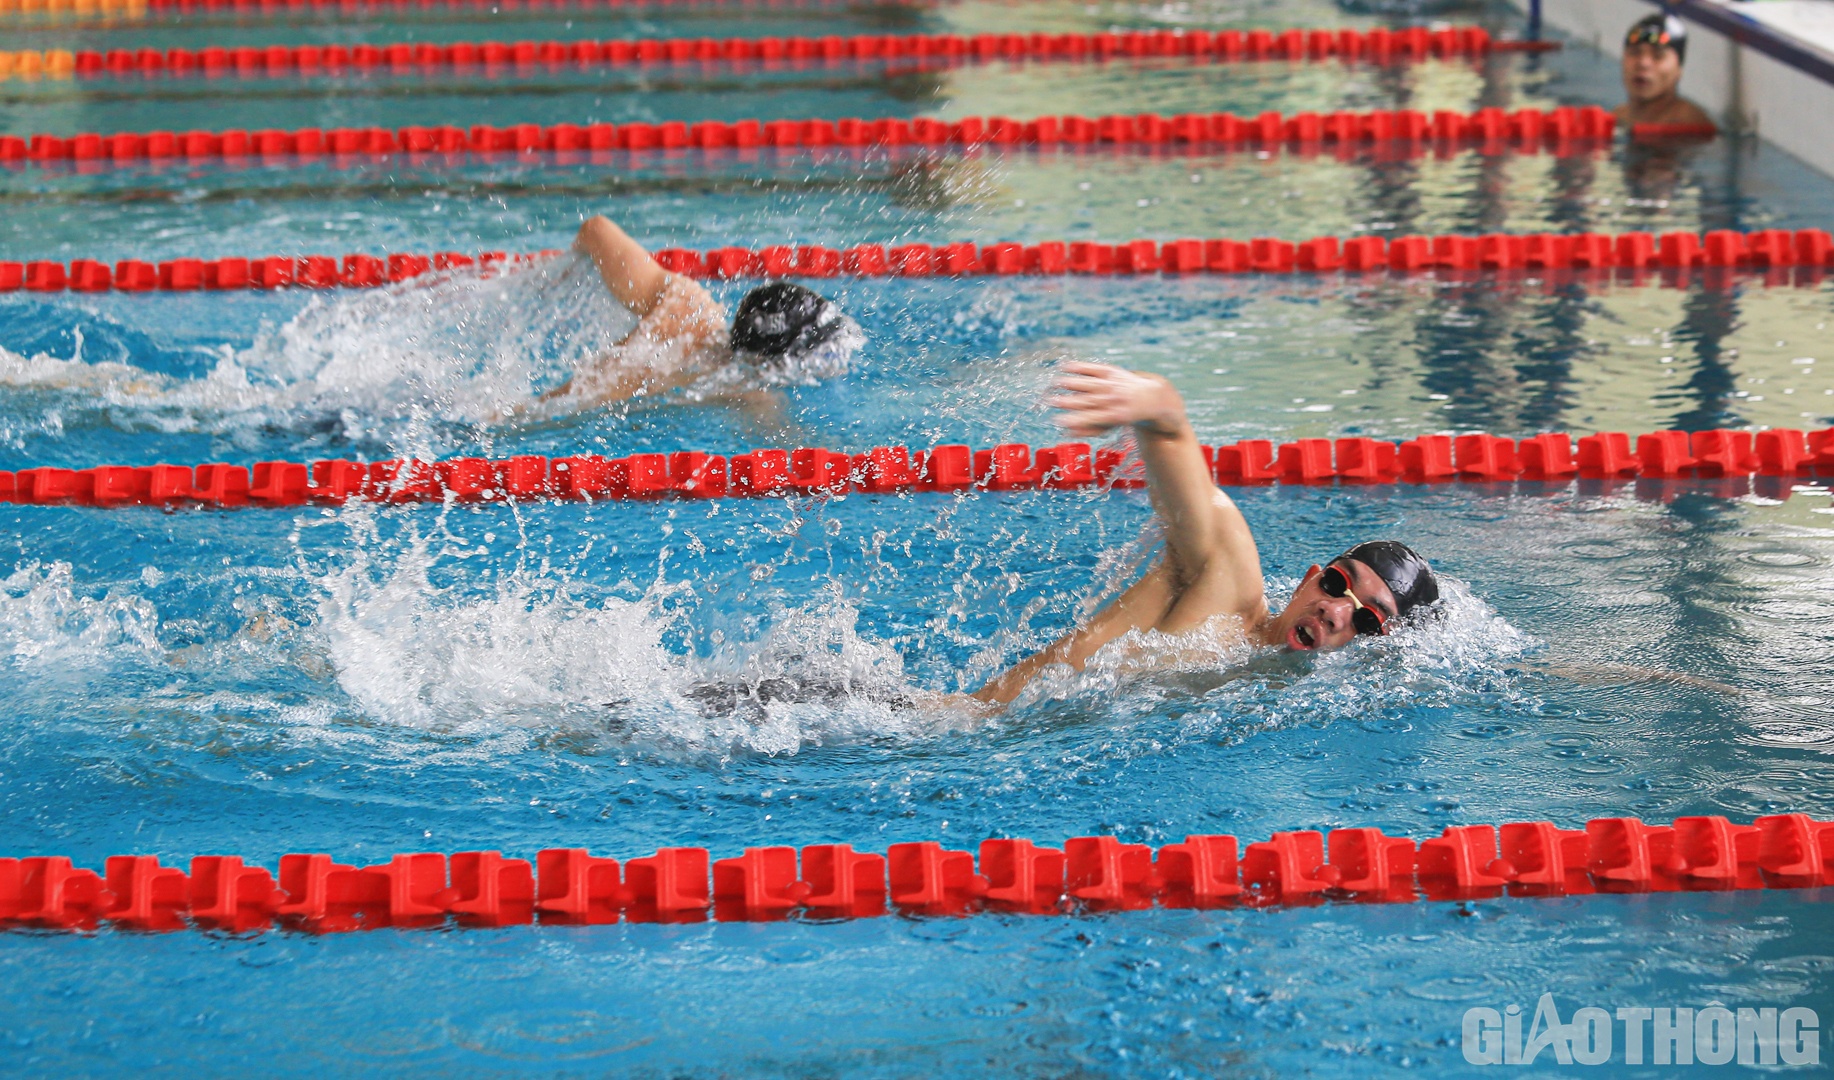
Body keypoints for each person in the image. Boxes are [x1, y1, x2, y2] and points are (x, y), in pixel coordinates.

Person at [970, 363, 1440, 706]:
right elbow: (1173, 440)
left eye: (1366, 621)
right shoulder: (1227, 596)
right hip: (955, 729)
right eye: (1336, 583)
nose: (1333, 611)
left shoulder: (1270, 699)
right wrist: (1153, 400)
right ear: (1308, 579)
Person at [536, 216, 860, 410]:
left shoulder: (686, 305)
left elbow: (597, 228)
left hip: (532, 406)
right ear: (770, 360)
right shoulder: (745, 390)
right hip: (542, 420)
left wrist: (555, 282)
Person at [1615, 13, 1715, 129]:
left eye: (1658, 56)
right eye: (1635, 53)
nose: (1643, 63)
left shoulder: (1690, 125)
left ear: (1679, 69)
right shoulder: (1619, 115)